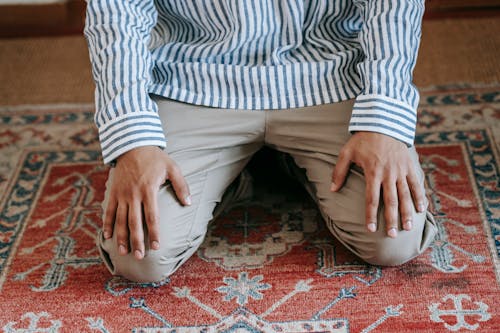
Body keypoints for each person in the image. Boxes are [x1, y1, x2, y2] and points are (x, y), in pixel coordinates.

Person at [84, 0, 437, 283]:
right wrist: (134, 142)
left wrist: (383, 119)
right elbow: (117, 10)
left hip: (328, 73)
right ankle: (240, 176)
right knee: (140, 257)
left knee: (394, 239)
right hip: (193, 79)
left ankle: (287, 167)